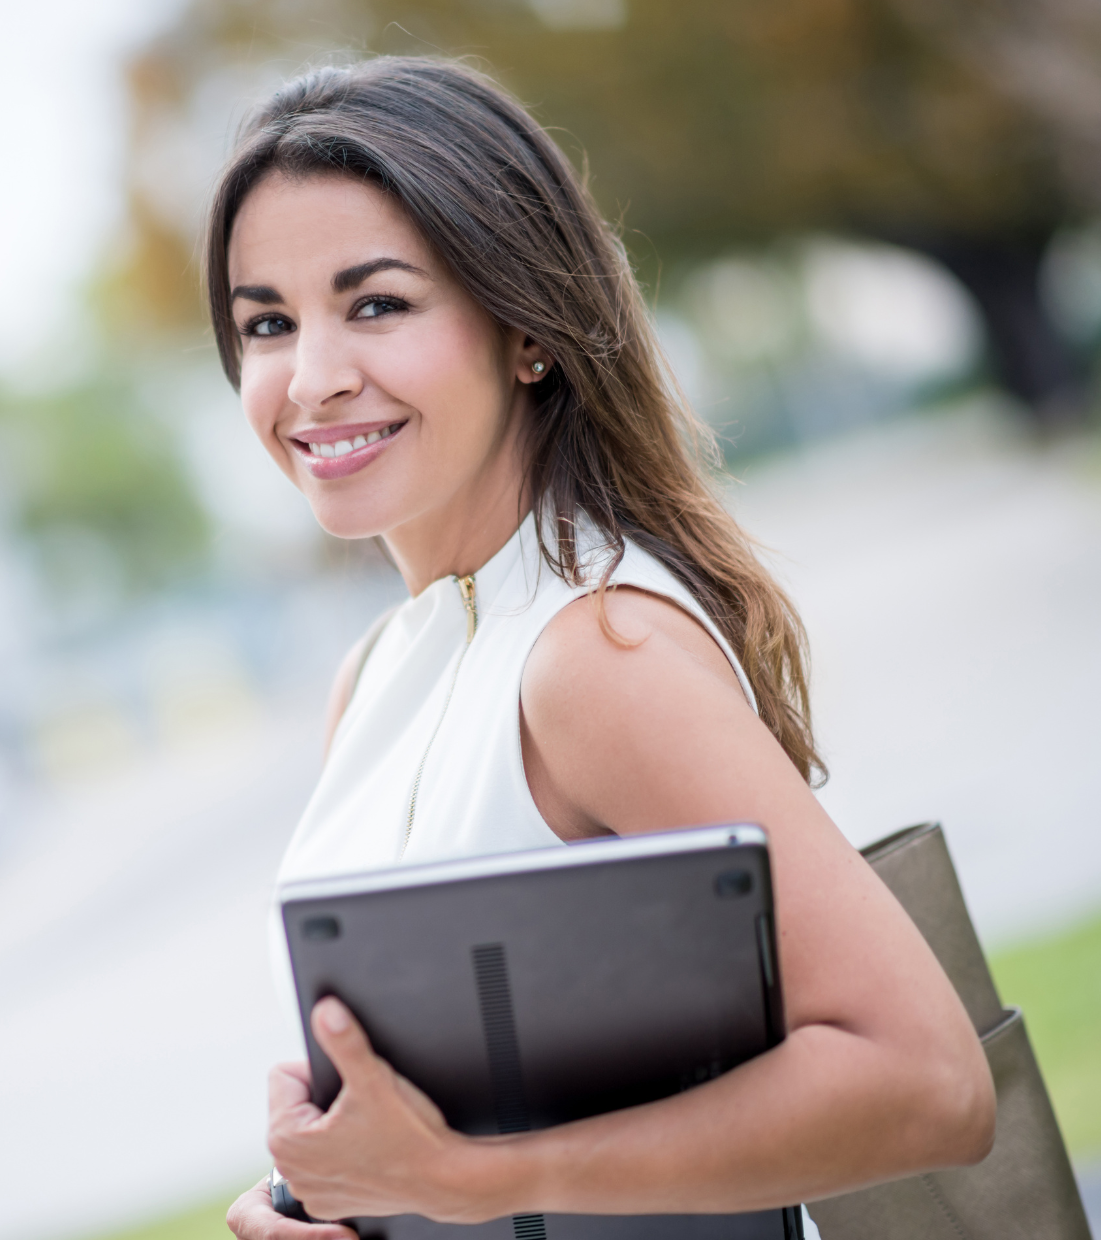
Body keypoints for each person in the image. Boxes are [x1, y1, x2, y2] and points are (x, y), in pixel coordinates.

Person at [207, 58, 995, 1240]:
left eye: (375, 304)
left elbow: (926, 1084)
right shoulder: (372, 678)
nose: (310, 377)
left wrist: (468, 1184)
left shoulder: (595, 653)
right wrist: (326, 1203)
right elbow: (443, 1124)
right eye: (267, 322)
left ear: (524, 330)